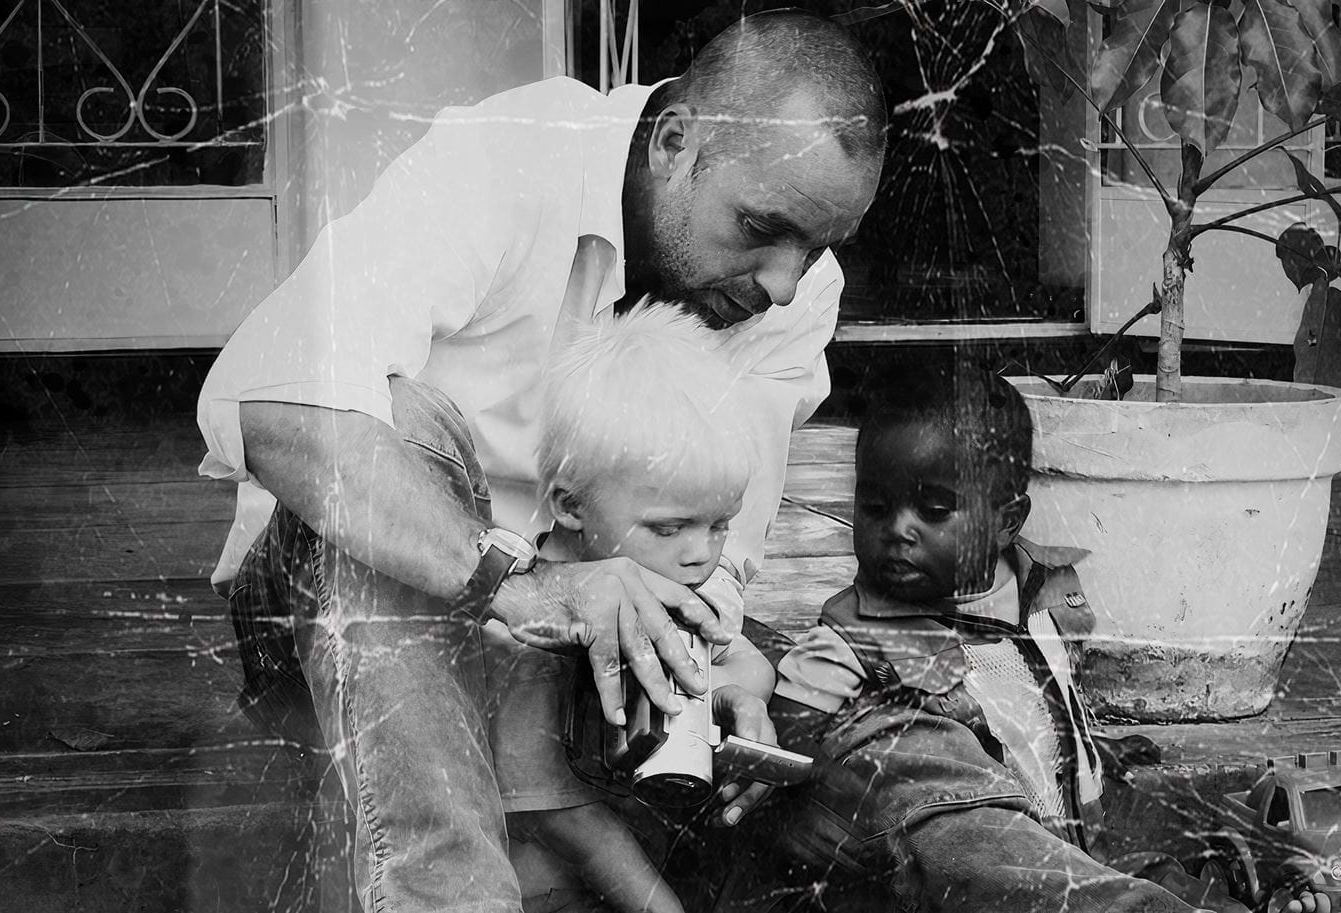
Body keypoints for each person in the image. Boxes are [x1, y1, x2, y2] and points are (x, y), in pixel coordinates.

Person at [193, 10, 886, 912]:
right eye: (762, 226)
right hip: (337, 608)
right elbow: (277, 401)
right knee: (399, 418)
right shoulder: (510, 158)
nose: (784, 283)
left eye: (818, 246)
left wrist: (713, 656)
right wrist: (514, 582)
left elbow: (720, 540)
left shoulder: (793, 293)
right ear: (674, 142)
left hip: (549, 680)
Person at [725, 363, 1331, 913]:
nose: (897, 531)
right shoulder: (851, 639)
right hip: (975, 851)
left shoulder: (1038, 591)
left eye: (934, 511)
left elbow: (1045, 705)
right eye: (874, 506)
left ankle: (1241, 894)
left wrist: (1097, 754)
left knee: (1146, 870)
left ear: (1007, 521)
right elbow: (788, 750)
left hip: (1070, 830)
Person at [495, 302, 782, 913]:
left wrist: (731, 694)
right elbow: (558, 815)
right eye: (671, 527)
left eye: (720, 525)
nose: (700, 557)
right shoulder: (538, 627)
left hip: (638, 819)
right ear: (572, 506)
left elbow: (749, 660)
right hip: (558, 836)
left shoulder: (668, 578)